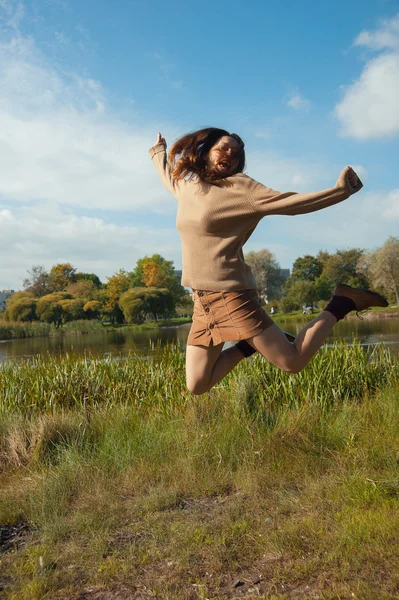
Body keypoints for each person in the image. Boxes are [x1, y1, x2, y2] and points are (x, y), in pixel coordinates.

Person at [149, 128, 388, 395]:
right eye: (224, 148)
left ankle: (343, 302)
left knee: (293, 361)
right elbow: (168, 177)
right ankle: (246, 346)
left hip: (231, 297)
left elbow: (291, 203)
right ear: (206, 153)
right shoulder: (189, 185)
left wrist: (339, 191)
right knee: (196, 384)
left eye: (237, 154)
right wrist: (158, 152)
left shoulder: (241, 189)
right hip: (200, 302)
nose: (231, 155)